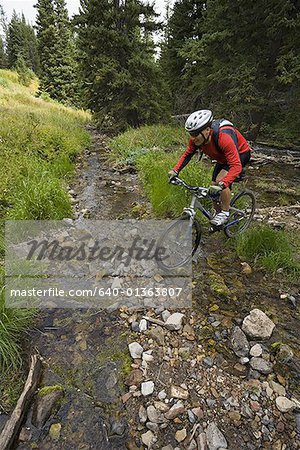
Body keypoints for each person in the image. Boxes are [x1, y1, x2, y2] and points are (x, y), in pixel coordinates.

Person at [168, 109, 251, 226]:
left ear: (207, 130)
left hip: (241, 154)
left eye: (196, 134)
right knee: (213, 187)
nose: (193, 138)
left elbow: (236, 166)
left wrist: (223, 183)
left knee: (220, 181)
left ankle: (225, 214)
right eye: (191, 134)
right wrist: (175, 170)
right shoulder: (196, 140)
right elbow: (187, 155)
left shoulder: (223, 138)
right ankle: (218, 214)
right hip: (222, 158)